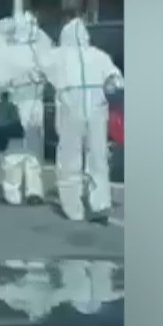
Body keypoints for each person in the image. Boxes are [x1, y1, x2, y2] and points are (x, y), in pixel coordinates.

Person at [42, 17, 123, 222]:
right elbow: (117, 81)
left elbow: (38, 69)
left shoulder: (57, 56)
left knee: (70, 157)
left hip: (71, 105)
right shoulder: (100, 56)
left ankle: (73, 208)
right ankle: (100, 203)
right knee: (98, 157)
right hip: (97, 107)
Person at [0, 15, 48, 205]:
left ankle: (12, 192)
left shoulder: (10, 53)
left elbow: (0, 81)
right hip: (36, 104)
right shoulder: (41, 49)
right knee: (33, 149)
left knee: (14, 149)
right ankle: (34, 191)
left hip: (16, 105)